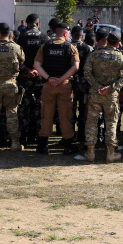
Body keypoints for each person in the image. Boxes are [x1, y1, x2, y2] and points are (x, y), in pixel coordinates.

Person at [83, 30, 123, 163]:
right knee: (111, 123)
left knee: (91, 122)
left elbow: (87, 73)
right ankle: (110, 153)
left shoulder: (94, 55)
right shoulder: (119, 56)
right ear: (118, 43)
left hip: (95, 94)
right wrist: (112, 87)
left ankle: (90, 152)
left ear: (107, 40)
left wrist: (97, 86)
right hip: (111, 95)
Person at [34, 21, 80, 155]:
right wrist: (62, 79)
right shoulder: (70, 47)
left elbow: (36, 65)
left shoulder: (45, 46)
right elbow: (75, 67)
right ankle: (68, 145)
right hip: (64, 85)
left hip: (49, 85)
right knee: (65, 116)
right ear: (66, 33)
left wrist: (48, 78)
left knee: (46, 115)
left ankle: (42, 146)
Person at [0, 23, 25, 151]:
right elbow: (22, 61)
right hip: (11, 83)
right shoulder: (16, 48)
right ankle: (14, 142)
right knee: (12, 113)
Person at [15, 14, 49, 146]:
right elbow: (47, 58)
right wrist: (38, 70)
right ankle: (34, 137)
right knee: (38, 107)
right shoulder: (44, 37)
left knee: (23, 107)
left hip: (25, 77)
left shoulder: (21, 37)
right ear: (37, 23)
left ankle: (23, 137)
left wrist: (28, 70)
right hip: (39, 77)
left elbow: (17, 58)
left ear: (27, 23)